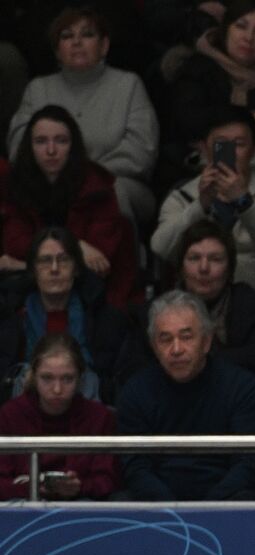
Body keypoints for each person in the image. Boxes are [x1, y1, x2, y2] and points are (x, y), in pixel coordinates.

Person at [6, 6, 158, 225]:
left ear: (104, 45)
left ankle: (120, 260)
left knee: (114, 194)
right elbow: (18, 146)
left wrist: (86, 176)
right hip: (49, 181)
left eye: (87, 34)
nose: (77, 42)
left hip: (116, 182)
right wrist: (58, 174)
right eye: (67, 36)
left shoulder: (128, 85)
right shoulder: (38, 89)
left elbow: (142, 150)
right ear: (57, 50)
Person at [117, 290, 255, 501]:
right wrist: (173, 510)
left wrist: (207, 508)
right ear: (153, 346)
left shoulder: (242, 386)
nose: (176, 349)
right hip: (158, 503)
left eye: (186, 337)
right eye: (165, 339)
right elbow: (135, 467)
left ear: (207, 341)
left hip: (226, 499)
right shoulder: (135, 391)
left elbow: (251, 461)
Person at [1, 105, 143, 309]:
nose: (51, 150)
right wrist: (76, 245)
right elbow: (16, 243)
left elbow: (99, 264)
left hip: (97, 298)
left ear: (73, 146)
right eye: (41, 141)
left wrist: (22, 266)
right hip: (31, 295)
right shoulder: (16, 186)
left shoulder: (97, 187)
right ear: (29, 147)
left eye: (61, 141)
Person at [151, 106, 255, 299]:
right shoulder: (183, 195)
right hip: (193, 300)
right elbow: (161, 248)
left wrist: (244, 201)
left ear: (253, 151)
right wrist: (200, 205)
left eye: (239, 144)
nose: (231, 153)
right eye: (221, 145)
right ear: (204, 148)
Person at [161, 0, 255, 179]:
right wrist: (253, 118)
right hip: (199, 175)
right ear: (226, 29)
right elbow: (187, 118)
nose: (249, 37)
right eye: (241, 26)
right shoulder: (197, 68)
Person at [0, 228, 131, 403]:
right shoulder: (9, 318)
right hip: (23, 417)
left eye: (63, 260)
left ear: (76, 269)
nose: (55, 269)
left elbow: (120, 383)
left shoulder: (105, 319)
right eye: (45, 261)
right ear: (33, 270)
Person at [0, 332, 119, 500]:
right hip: (21, 507)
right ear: (33, 376)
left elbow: (108, 479)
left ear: (80, 378)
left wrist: (79, 487)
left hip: (81, 506)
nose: (57, 389)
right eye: (47, 378)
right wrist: (33, 488)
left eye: (67, 379)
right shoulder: (10, 414)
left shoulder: (99, 417)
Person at [171, 219, 255, 389]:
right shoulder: (157, 312)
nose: (204, 268)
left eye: (215, 259)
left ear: (230, 269)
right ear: (181, 267)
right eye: (194, 258)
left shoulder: (252, 305)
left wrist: (196, 360)